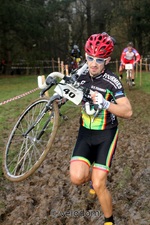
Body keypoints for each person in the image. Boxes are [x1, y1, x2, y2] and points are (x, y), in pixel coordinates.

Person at [69, 33, 132, 225]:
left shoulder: (112, 81)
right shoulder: (80, 74)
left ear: (107, 60)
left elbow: (128, 111)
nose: (93, 64)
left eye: (99, 60)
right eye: (90, 58)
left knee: (98, 184)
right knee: (77, 178)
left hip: (106, 133)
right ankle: (94, 170)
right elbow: (67, 89)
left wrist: (106, 104)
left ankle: (109, 220)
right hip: (85, 132)